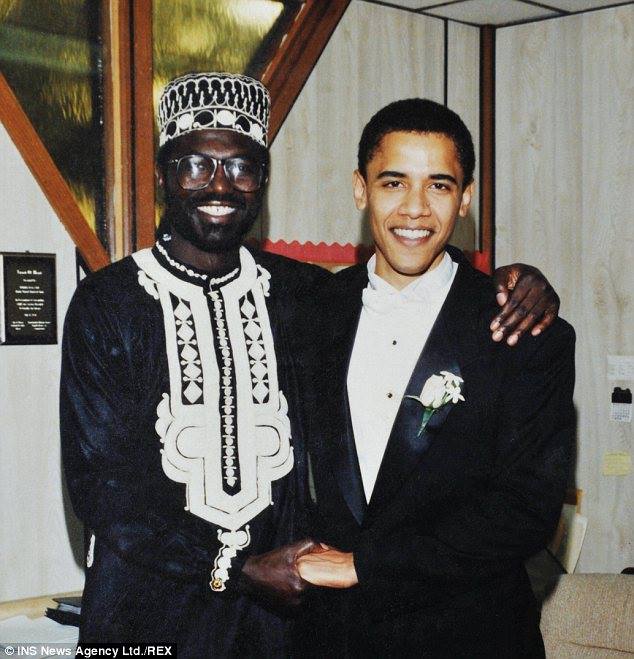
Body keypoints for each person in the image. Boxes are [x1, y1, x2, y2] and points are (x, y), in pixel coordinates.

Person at [60, 73, 561, 655]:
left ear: (264, 179)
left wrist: (519, 283)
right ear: (162, 175)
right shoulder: (107, 304)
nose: (220, 184)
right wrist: (233, 567)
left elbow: (520, 503)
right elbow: (100, 489)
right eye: (195, 165)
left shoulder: (300, 296)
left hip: (282, 627)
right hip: (149, 615)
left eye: (243, 167)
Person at [297, 99, 575, 657]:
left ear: (465, 198)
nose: (415, 209)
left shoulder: (525, 331)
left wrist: (365, 566)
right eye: (393, 182)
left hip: (472, 636)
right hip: (332, 638)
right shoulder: (308, 312)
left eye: (439, 186)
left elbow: (526, 511)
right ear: (360, 189)